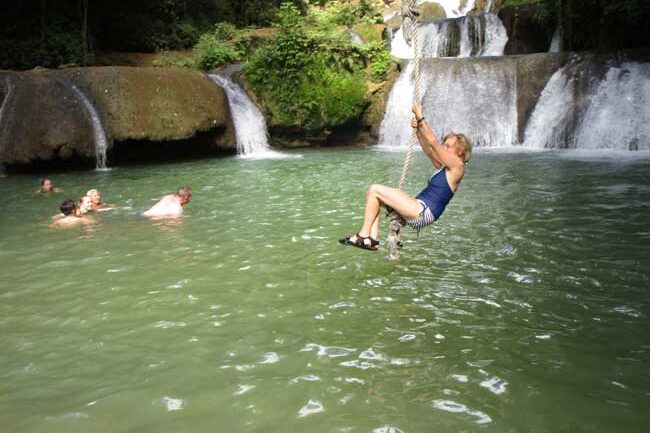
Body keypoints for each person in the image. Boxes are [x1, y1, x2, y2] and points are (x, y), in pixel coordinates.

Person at [339, 103, 472, 251]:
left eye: (448, 146)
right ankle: (372, 239)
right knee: (374, 196)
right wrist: (418, 131)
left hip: (422, 212)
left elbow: (434, 143)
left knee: (374, 189)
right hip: (418, 207)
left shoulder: (458, 166)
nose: (444, 148)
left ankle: (363, 235)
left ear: (460, 151)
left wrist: (421, 117)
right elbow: (429, 150)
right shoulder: (445, 167)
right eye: (444, 144)